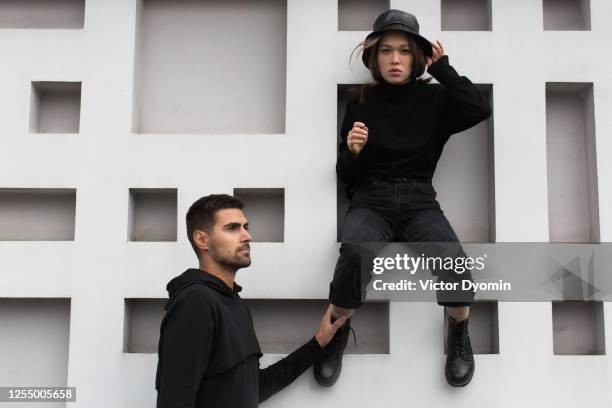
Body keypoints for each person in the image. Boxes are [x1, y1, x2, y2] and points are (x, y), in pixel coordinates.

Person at [314, 9, 492, 388]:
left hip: (419, 199)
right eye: (386, 51)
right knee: (355, 252)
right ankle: (336, 332)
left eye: (405, 51)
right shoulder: (361, 101)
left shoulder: (435, 100)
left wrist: (443, 68)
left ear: (418, 57)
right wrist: (352, 152)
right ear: (374, 58)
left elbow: (478, 109)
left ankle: (458, 331)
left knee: (453, 261)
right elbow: (345, 176)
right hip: (370, 199)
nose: (395, 59)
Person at [155, 194, 346, 407]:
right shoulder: (195, 303)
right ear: (202, 240)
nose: (247, 236)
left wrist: (318, 343)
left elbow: (255, 388)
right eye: (232, 228)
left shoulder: (234, 302)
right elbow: (174, 400)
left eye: (246, 227)